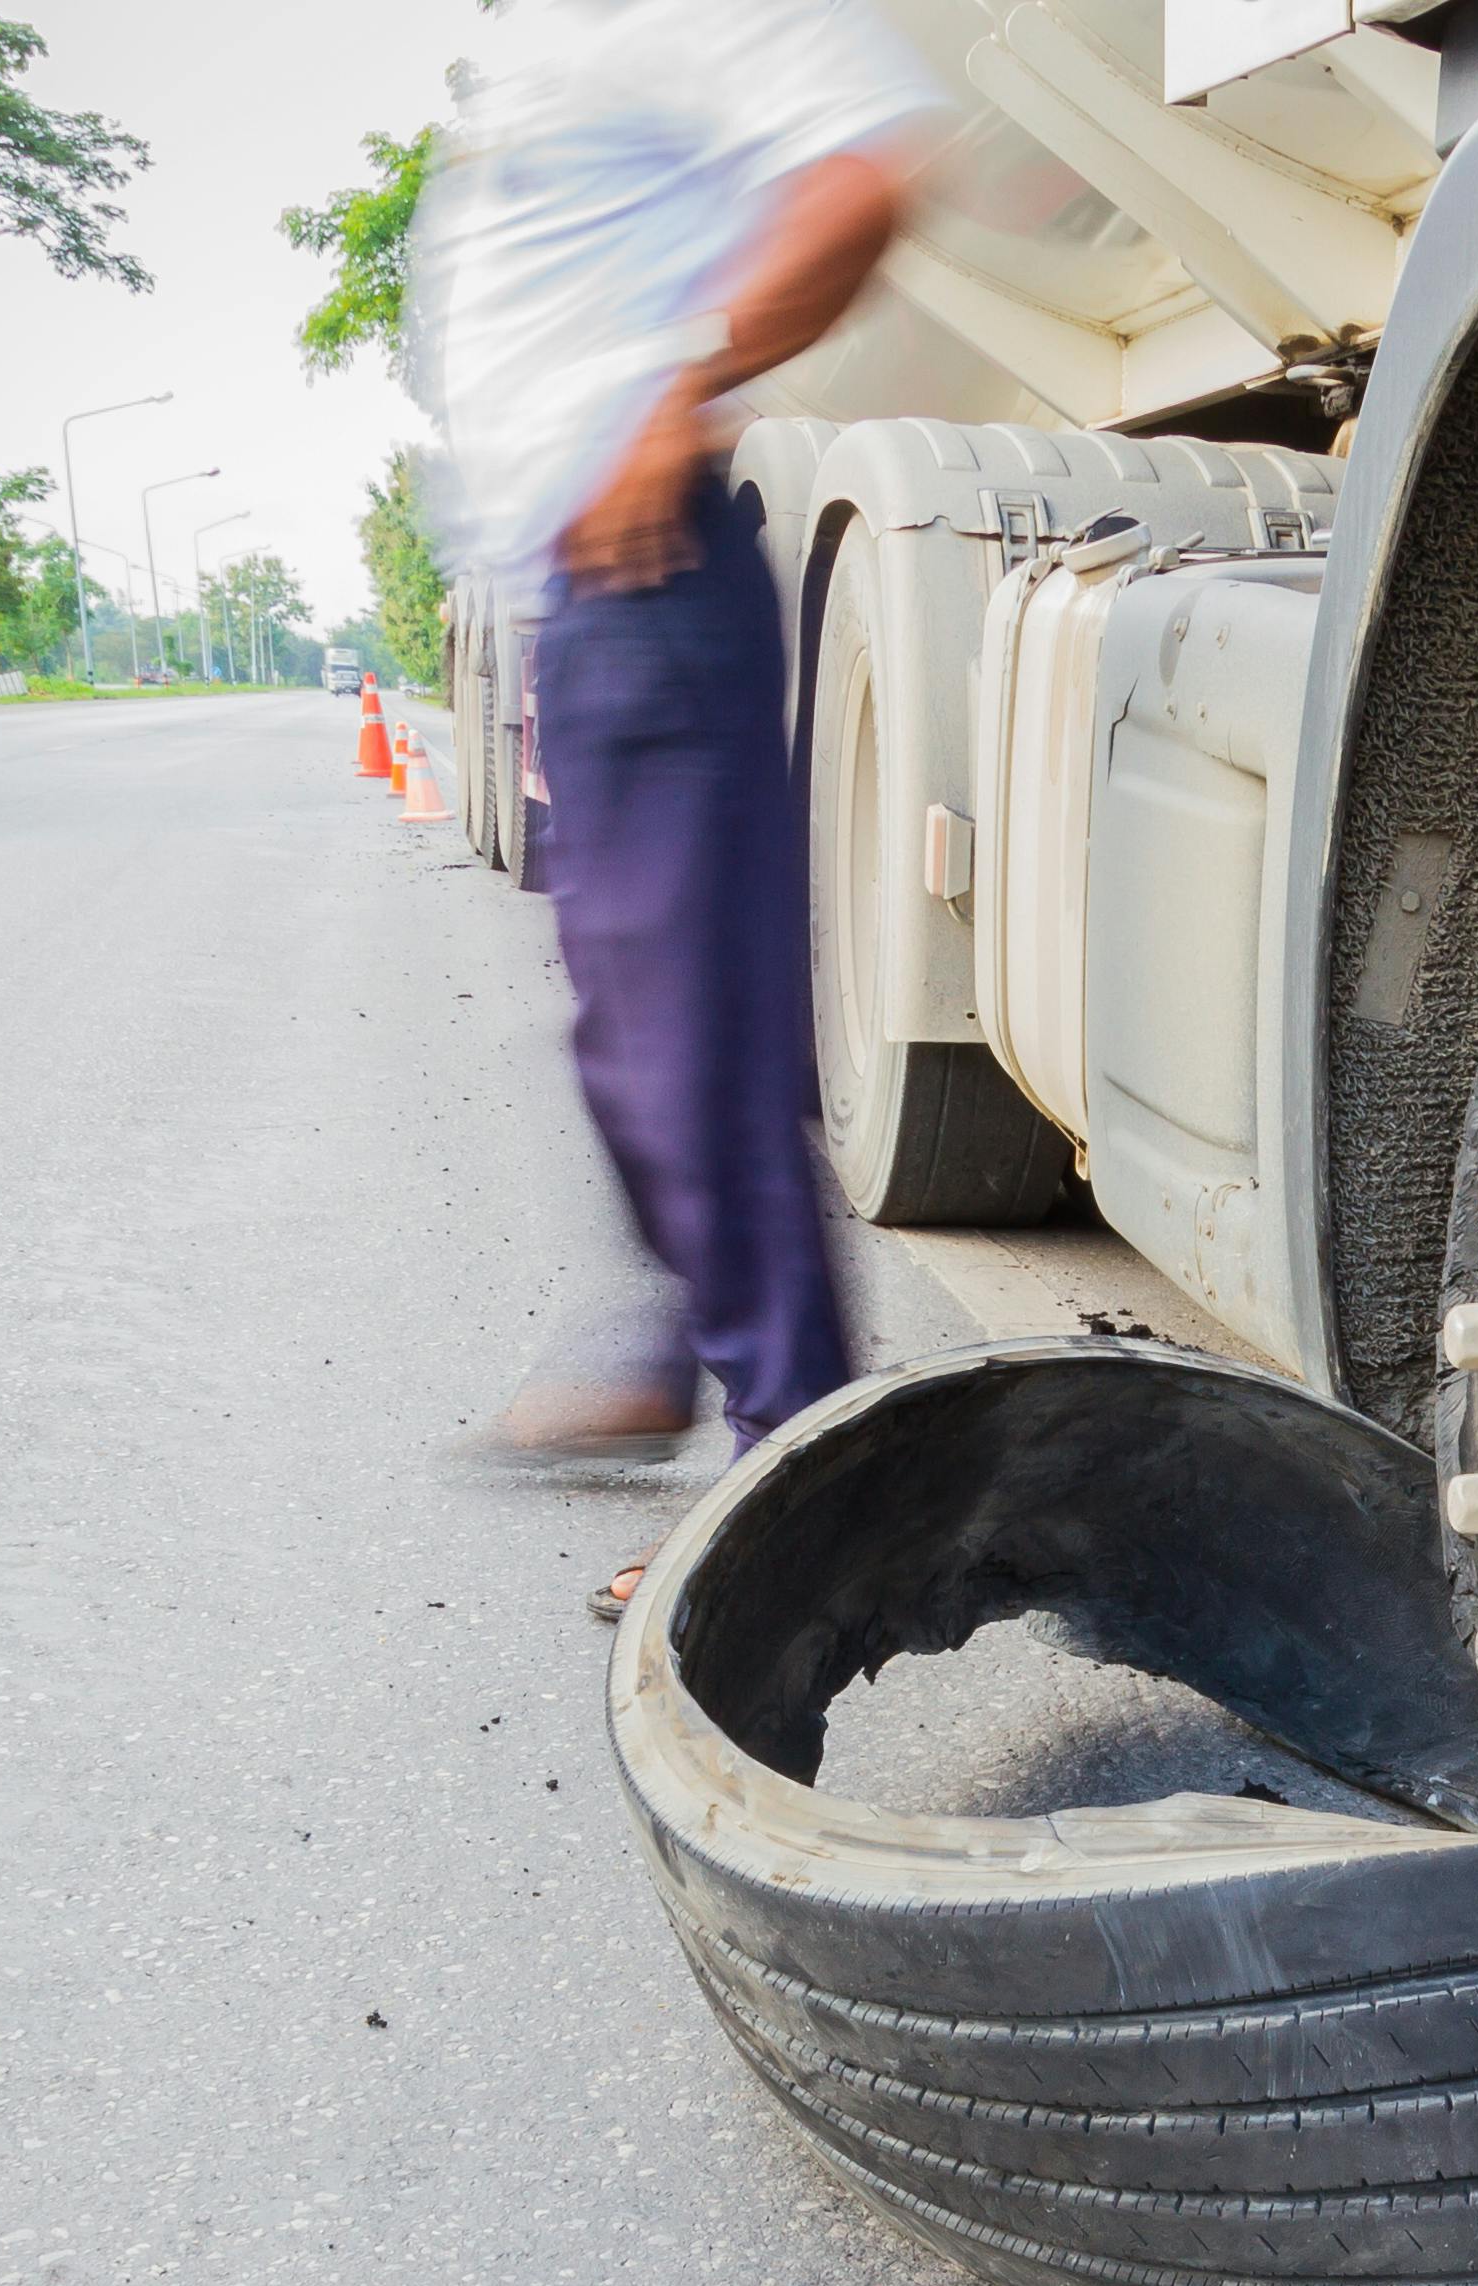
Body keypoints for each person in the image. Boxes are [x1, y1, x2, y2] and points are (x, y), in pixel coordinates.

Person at [421, 0, 940, 1621]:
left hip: (652, 568)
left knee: (694, 1061)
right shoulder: (540, 41)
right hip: (579, 600)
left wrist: (676, 378)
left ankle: (804, 1500)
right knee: (631, 1043)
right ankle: (669, 1348)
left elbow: (863, 177)